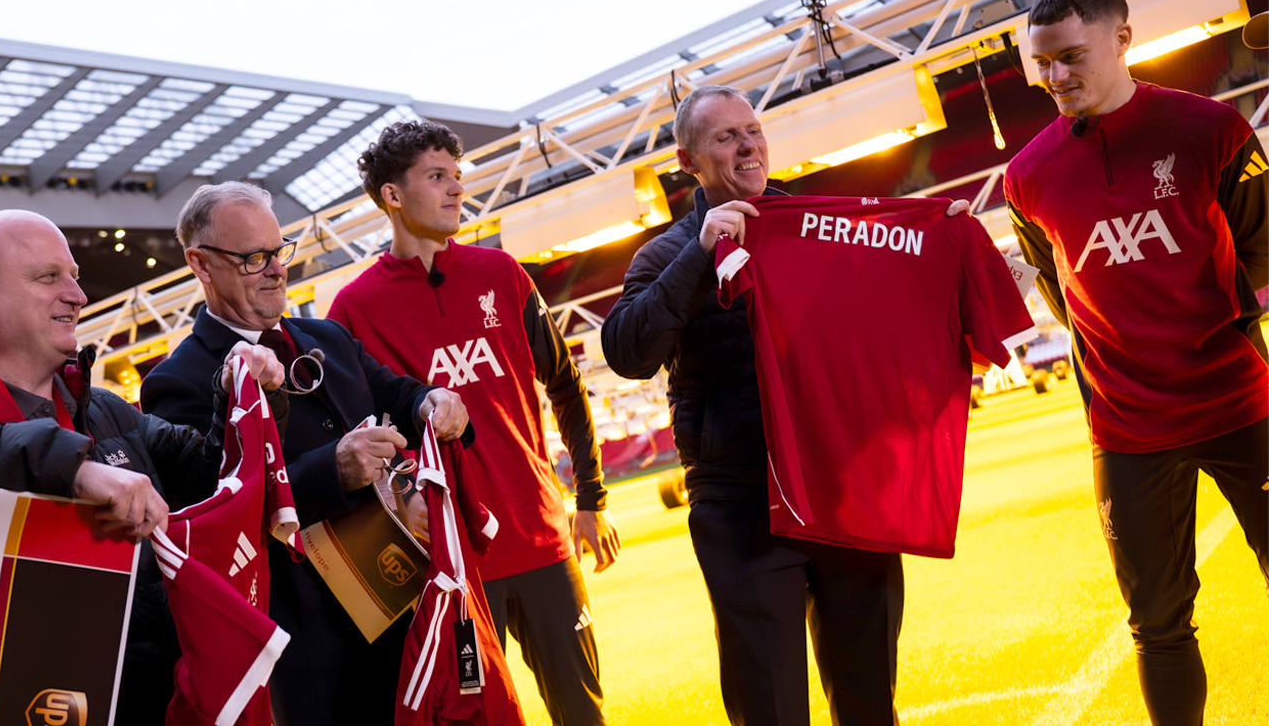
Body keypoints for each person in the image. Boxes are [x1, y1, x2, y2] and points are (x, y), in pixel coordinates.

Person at [600, 85, 977, 726]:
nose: (748, 145)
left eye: (753, 130)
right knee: (768, 707)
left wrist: (940, 248)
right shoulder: (664, 254)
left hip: (842, 487)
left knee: (868, 699)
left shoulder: (821, 232)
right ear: (688, 161)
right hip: (740, 504)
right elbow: (626, 351)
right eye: (725, 136)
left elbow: (890, 327)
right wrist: (697, 258)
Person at [0, 209, 286, 723]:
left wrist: (243, 395)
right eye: (48, 277)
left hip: (166, 703)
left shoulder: (104, 410)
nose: (77, 295)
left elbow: (214, 481)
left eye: (74, 276)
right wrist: (69, 467)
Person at [1004, 0, 1268, 723]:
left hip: (1241, 400)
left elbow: (1261, 249)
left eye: (1071, 57)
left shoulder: (1210, 128)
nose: (1055, 78)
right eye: (1042, 65)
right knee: (1157, 623)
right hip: (1126, 429)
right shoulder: (1025, 177)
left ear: (1122, 39)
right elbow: (1061, 290)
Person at [139, 181, 470, 725]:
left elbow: (397, 393)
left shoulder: (328, 338)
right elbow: (214, 510)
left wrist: (433, 399)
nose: (275, 269)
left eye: (278, 251)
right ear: (200, 264)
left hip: (407, 613)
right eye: (252, 258)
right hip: (313, 654)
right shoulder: (178, 382)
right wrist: (329, 471)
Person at [328, 120, 620, 726]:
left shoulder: (502, 275)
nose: (457, 190)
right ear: (393, 196)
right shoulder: (353, 310)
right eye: (437, 177)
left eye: (457, 177)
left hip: (542, 544)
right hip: (449, 566)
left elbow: (565, 386)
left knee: (583, 715)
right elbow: (354, 443)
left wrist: (590, 497)